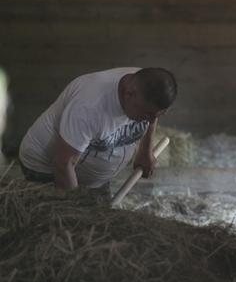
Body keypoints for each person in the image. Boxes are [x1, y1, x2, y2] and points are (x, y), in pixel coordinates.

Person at [18, 67, 177, 193]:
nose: (151, 120)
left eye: (158, 115)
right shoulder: (89, 107)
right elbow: (62, 163)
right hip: (47, 170)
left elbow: (153, 114)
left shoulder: (147, 86)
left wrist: (145, 151)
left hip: (90, 178)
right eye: (147, 114)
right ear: (129, 94)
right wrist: (75, 208)